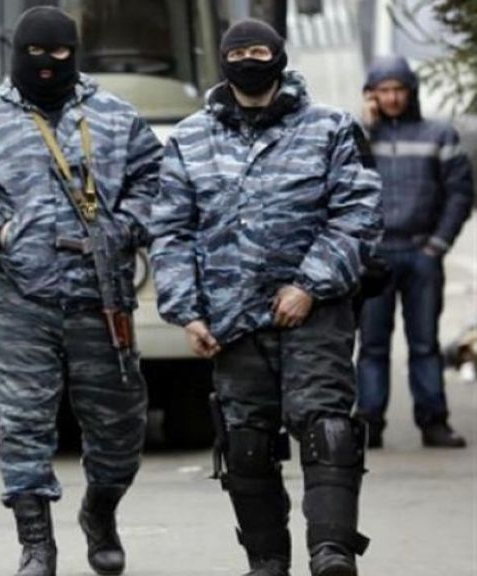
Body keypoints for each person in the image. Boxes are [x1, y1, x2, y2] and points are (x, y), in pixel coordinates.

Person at [150, 20, 382, 576]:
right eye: (238, 53)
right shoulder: (190, 139)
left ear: (278, 57)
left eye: (259, 51)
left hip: (314, 313)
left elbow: (359, 215)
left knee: (327, 430)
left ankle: (332, 551)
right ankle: (267, 560)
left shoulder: (330, 129)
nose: (248, 61)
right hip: (232, 320)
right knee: (246, 444)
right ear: (223, 61)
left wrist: (309, 285)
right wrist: (187, 312)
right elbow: (170, 232)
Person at [0, 7, 160, 575]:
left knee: (120, 426)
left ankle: (100, 511)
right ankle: (36, 543)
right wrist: (0, 229)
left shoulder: (116, 117)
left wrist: (124, 227)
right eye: (35, 54)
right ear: (16, 55)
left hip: (103, 296)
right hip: (23, 296)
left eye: (59, 54)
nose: (47, 65)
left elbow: (156, 184)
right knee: (22, 424)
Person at [356, 56, 474, 449]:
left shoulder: (438, 135)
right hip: (374, 256)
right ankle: (368, 423)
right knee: (372, 345)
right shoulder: (355, 136)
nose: (392, 98)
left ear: (411, 92)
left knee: (424, 344)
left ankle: (434, 421)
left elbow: (459, 193)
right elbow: (338, 185)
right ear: (371, 95)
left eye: (398, 90)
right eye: (383, 90)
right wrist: (365, 130)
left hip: (421, 252)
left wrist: (436, 246)